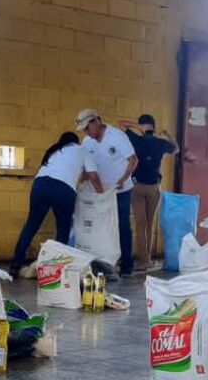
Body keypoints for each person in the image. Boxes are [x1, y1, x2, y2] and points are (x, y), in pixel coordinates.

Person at [9, 132, 83, 276]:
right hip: (63, 188)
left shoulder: (53, 150)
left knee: (31, 225)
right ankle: (59, 269)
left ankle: (15, 264)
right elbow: (90, 174)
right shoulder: (80, 150)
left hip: (40, 184)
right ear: (75, 142)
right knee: (63, 229)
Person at [76, 109, 138, 275]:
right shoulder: (87, 142)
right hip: (99, 192)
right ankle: (103, 263)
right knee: (100, 226)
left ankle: (126, 265)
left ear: (96, 121)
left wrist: (123, 179)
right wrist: (80, 181)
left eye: (88, 128)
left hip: (119, 190)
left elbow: (133, 160)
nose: (87, 132)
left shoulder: (117, 136)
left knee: (121, 225)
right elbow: (85, 167)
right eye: (84, 130)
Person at [121, 114, 178, 272]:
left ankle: (143, 260)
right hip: (154, 187)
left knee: (140, 224)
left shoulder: (135, 140)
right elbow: (176, 148)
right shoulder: (161, 143)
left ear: (142, 126)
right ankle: (149, 259)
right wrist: (167, 135)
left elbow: (121, 124)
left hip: (137, 187)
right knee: (150, 223)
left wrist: (137, 126)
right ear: (154, 126)